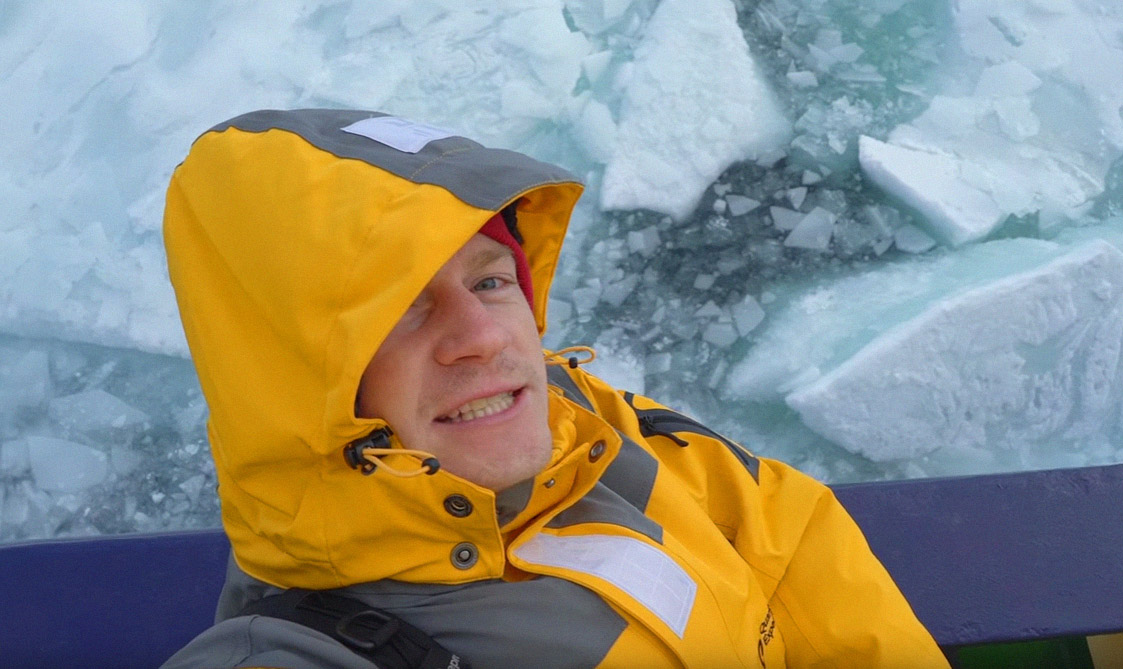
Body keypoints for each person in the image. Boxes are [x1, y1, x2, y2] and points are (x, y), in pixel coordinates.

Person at [160, 108, 949, 668]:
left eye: (490, 281)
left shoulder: (588, 429)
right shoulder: (304, 650)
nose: (484, 335)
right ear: (300, 380)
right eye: (402, 309)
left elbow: (787, 530)